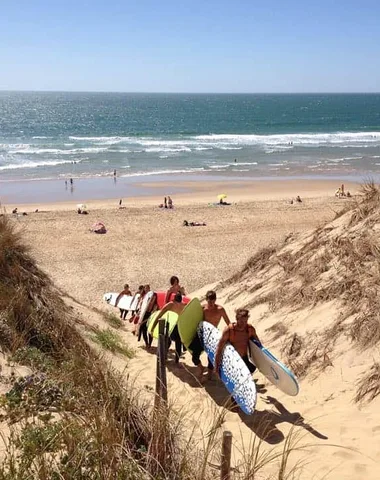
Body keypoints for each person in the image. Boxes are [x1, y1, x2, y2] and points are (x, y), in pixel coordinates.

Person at [190, 290, 231, 380]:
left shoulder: (220, 310)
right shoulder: (203, 308)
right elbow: (194, 319)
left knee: (211, 356)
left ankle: (209, 375)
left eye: (213, 301)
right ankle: (201, 368)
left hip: (213, 334)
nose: (211, 304)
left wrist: (230, 333)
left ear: (215, 300)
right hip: (202, 333)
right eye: (209, 301)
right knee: (194, 356)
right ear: (206, 300)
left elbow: (228, 322)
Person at [215, 308, 261, 377]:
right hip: (232, 360)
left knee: (249, 371)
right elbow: (219, 348)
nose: (244, 324)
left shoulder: (250, 329)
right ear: (237, 319)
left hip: (244, 358)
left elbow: (258, 344)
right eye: (242, 322)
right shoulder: (229, 330)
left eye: (246, 321)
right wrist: (217, 366)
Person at [150, 292, 186, 365]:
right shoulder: (184, 305)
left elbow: (159, 315)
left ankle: (163, 359)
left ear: (174, 299)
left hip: (170, 326)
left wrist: (153, 327)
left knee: (167, 342)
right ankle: (176, 361)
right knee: (178, 343)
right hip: (179, 326)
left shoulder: (171, 304)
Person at [137, 285, 157, 349]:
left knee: (150, 329)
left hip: (150, 314)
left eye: (146, 288)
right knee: (143, 329)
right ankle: (147, 343)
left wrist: (153, 312)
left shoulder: (153, 296)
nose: (145, 290)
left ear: (149, 288)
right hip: (144, 314)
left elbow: (154, 305)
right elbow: (142, 306)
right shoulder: (145, 296)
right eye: (145, 289)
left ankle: (150, 344)